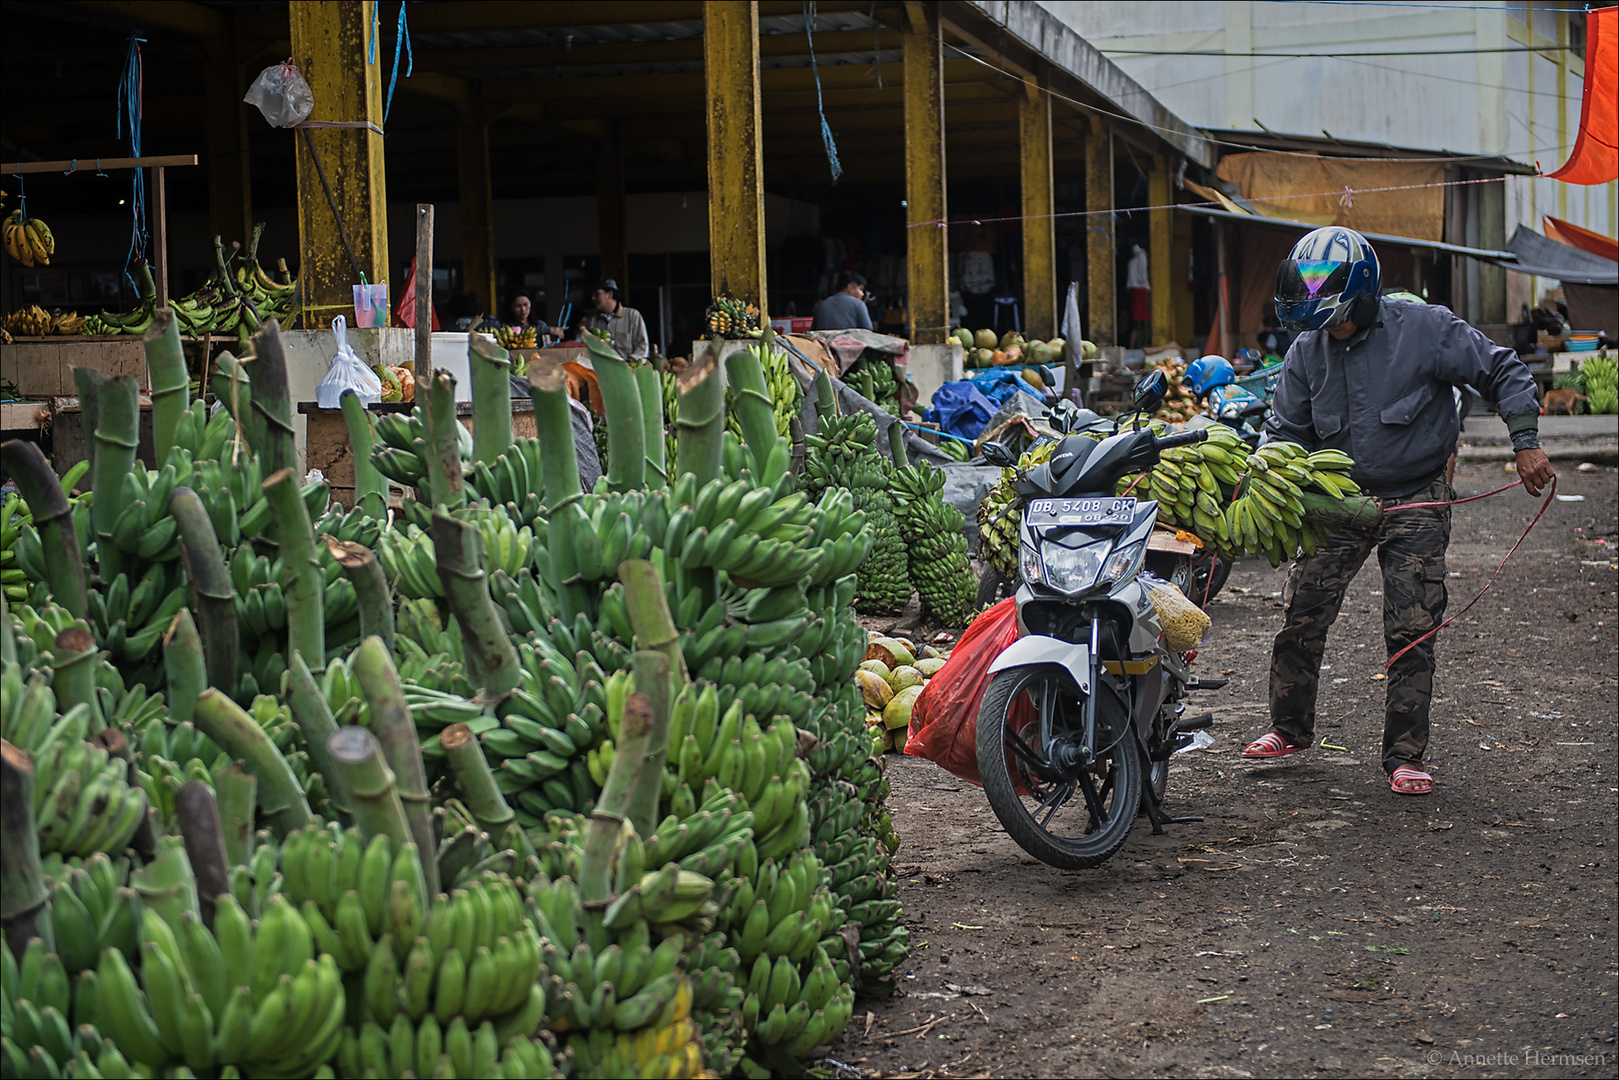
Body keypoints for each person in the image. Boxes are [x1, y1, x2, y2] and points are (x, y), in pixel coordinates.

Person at [1242, 226, 1554, 796]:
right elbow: (1283, 430)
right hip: (1338, 501)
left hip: (1418, 492)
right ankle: (1287, 727)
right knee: (1302, 612)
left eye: (1332, 315)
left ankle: (1404, 755)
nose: (1324, 329)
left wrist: (1526, 440)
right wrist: (1262, 478)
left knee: (1411, 627)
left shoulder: (1427, 329)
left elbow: (1503, 369)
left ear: (1361, 293)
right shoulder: (1306, 351)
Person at [577, 278, 649, 360]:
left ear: (610, 294)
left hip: (627, 370)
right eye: (592, 295)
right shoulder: (592, 321)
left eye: (597, 294)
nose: (593, 298)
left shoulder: (633, 316)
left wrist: (630, 362)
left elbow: (643, 346)